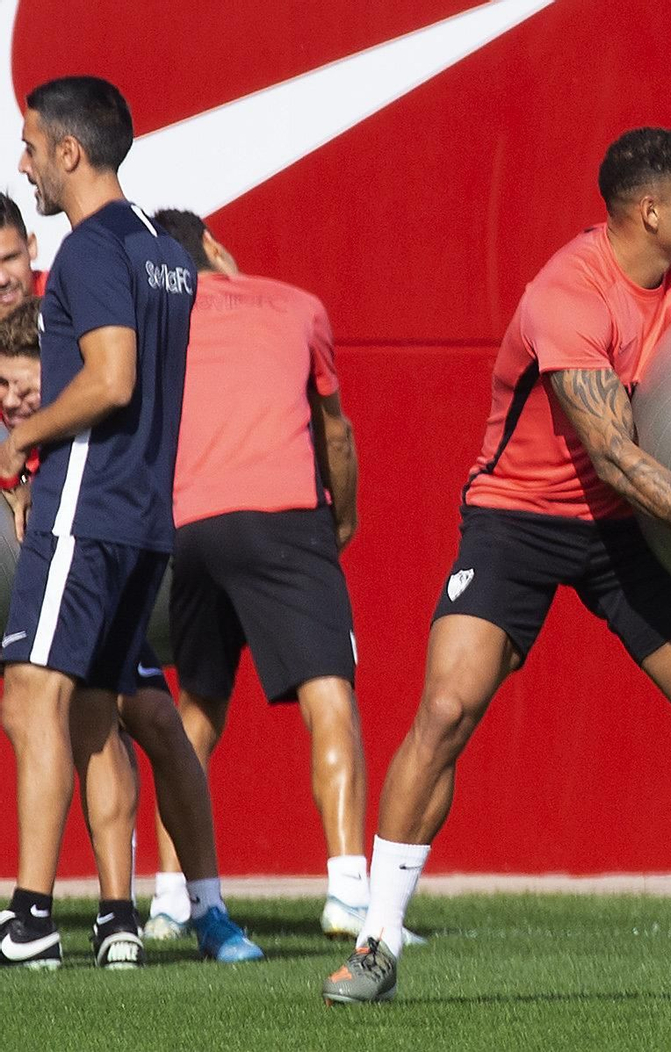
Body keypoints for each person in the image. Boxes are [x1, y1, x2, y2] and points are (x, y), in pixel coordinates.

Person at [321, 127, 671, 1007]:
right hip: (519, 519)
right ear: (651, 211)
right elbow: (613, 455)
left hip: (635, 533)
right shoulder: (566, 294)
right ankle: (375, 943)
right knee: (447, 707)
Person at [0, 75, 209, 970]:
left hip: (86, 508)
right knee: (95, 711)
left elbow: (111, 378)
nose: (25, 162)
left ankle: (30, 917)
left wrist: (21, 437)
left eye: (32, 144)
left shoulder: (89, 249)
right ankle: (118, 918)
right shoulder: (165, 251)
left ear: (71, 153)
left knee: (28, 695)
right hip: (143, 518)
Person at [134, 208, 379, 944]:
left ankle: (172, 900)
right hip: (281, 515)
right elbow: (335, 429)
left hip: (188, 527)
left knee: (197, 711)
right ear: (211, 245)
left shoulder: (153, 327)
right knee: (329, 698)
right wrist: (340, 521)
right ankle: (348, 896)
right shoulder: (296, 304)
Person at [0, 296, 261, 966]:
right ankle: (84, 917)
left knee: (132, 716)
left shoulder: (88, 430)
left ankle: (172, 912)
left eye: (21, 383)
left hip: (86, 574)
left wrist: (31, 477)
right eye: (1, 385)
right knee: (74, 714)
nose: (12, 398)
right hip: (50, 589)